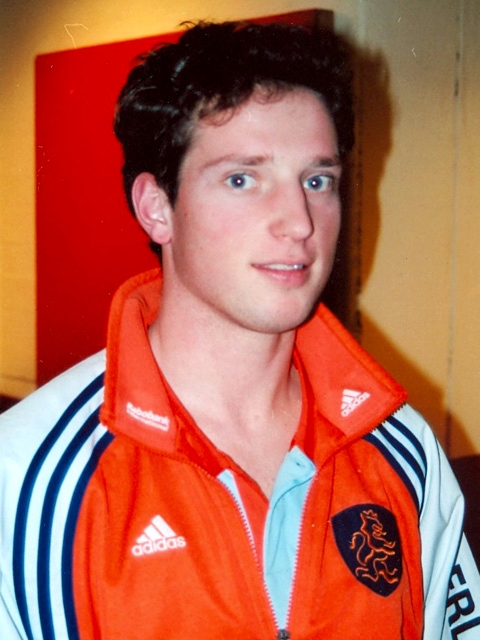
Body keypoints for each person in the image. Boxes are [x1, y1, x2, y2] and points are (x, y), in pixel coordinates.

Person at [0, 20, 479, 640]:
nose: (299, 222)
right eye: (242, 179)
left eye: (317, 180)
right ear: (157, 208)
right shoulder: (25, 480)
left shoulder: (403, 450)